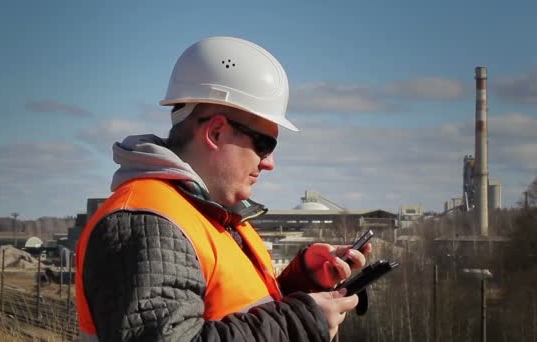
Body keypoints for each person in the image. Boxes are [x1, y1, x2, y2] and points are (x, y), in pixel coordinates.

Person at [75, 36, 371, 342]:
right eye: (265, 145)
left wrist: (303, 283)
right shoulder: (146, 223)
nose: (269, 163)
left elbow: (235, 312)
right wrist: (299, 323)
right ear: (216, 132)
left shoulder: (210, 217)